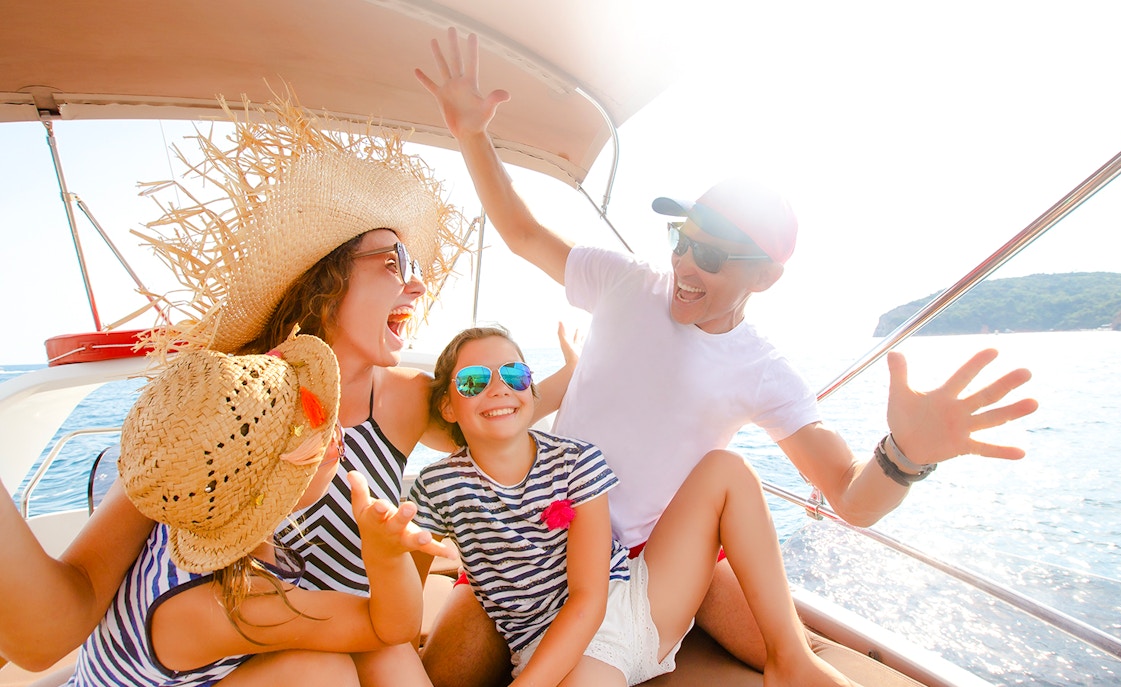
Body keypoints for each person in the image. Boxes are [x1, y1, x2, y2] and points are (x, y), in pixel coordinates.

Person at [414, 28, 1040, 686]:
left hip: (642, 564)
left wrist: (906, 454)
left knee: (734, 495)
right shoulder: (627, 282)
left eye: (711, 254)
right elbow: (520, 231)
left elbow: (852, 499)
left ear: (764, 278)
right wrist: (469, 133)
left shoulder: (761, 369)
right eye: (682, 239)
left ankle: (787, 658)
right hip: (535, 540)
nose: (684, 262)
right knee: (440, 670)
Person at [0, 96, 574, 681]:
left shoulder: (406, 398)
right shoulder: (233, 404)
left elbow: (493, 412)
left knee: (410, 641)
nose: (420, 284)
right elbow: (68, 611)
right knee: (327, 669)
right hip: (250, 646)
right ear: (326, 283)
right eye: (395, 260)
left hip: (344, 625)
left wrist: (577, 374)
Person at [409, 326, 853, 686]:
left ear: (530, 386)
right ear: (448, 405)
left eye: (514, 375)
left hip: (633, 603)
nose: (498, 390)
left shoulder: (576, 461)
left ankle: (791, 660)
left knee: (726, 470)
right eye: (473, 381)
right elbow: (407, 601)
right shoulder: (436, 487)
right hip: (555, 648)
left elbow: (589, 597)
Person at [66, 331, 453, 686]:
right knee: (321, 674)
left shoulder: (197, 517)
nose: (336, 426)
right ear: (270, 485)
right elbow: (388, 627)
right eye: (316, 420)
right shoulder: (237, 605)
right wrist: (383, 553)